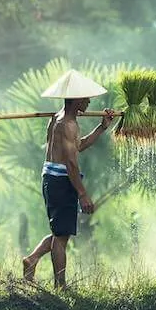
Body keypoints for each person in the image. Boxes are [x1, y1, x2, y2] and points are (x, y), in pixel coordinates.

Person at [22, 70, 115, 290]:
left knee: (59, 232)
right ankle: (60, 285)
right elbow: (71, 163)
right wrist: (83, 194)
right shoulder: (67, 124)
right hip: (60, 180)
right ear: (76, 100)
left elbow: (78, 146)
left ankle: (32, 259)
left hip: (53, 177)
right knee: (62, 238)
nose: (90, 101)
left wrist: (102, 127)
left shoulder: (58, 118)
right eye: (86, 98)